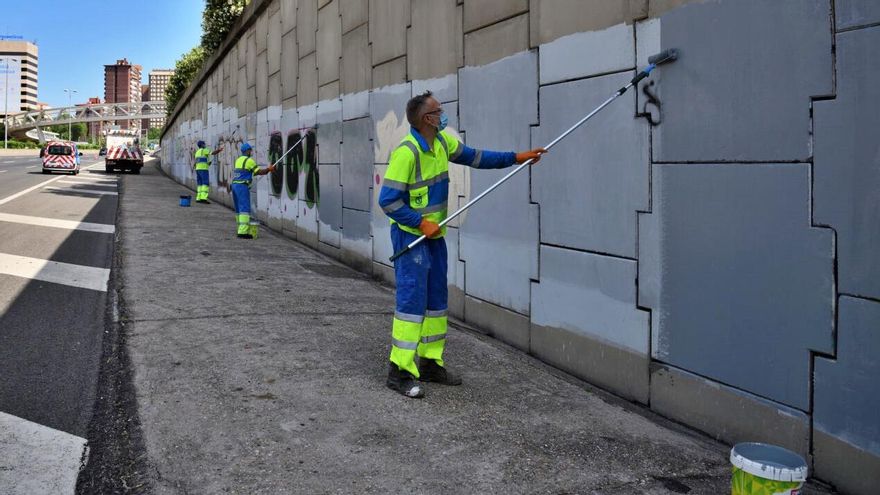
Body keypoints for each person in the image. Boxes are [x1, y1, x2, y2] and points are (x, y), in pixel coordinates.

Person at [377, 91, 546, 398]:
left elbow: (474, 157)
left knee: (436, 302)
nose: (444, 115)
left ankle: (430, 363)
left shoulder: (442, 143)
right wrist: (419, 222)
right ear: (427, 119)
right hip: (411, 239)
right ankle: (399, 370)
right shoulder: (407, 152)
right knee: (412, 305)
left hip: (435, 236)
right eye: (439, 111)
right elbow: (388, 201)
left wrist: (516, 157)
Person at [231, 143, 275, 239]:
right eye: (250, 150)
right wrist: (269, 169)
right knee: (245, 209)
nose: (251, 152)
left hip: (234, 185)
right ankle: (243, 232)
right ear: (247, 151)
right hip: (242, 186)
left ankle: (240, 228)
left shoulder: (238, 160)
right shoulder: (249, 161)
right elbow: (259, 172)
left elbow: (245, 172)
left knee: (239, 208)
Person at [193, 140, 223, 204]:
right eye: (204, 144)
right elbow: (213, 153)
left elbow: (198, 161)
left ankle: (198, 198)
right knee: (205, 183)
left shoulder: (197, 152)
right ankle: (203, 198)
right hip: (203, 169)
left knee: (200, 184)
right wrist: (219, 150)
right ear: (202, 145)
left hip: (198, 169)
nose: (205, 145)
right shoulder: (204, 150)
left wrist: (208, 163)